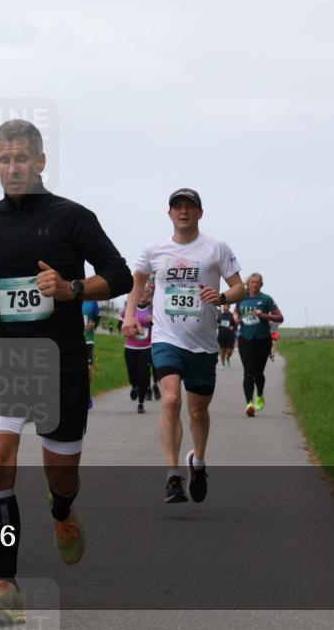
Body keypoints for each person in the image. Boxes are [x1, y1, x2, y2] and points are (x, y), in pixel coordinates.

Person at [0, 120, 132, 623]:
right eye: (4, 159)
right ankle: (6, 586)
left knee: (62, 476)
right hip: (3, 356)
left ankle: (62, 510)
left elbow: (119, 275)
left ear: (41, 161)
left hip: (60, 359)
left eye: (21, 158)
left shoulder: (73, 217)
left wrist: (72, 288)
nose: (12, 168)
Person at [122, 188, 243, 504]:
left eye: (190, 207)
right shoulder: (154, 249)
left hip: (203, 344)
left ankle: (198, 463)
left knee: (198, 411)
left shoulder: (216, 248)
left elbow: (239, 288)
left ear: (200, 213)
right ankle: (172, 476)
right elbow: (137, 280)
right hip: (167, 338)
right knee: (171, 400)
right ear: (170, 214)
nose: (184, 211)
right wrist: (130, 315)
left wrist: (222, 297)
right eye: (177, 207)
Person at [234, 273, 284, 416]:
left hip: (262, 340)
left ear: (261, 284)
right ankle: (249, 403)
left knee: (258, 373)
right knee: (248, 372)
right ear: (248, 283)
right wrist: (236, 317)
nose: (254, 284)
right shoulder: (242, 298)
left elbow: (280, 317)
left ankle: (260, 395)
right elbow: (236, 311)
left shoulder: (266, 299)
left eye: (257, 282)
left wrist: (264, 316)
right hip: (245, 339)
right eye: (252, 282)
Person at [122, 277, 155, 414]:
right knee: (132, 373)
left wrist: (154, 319)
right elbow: (120, 325)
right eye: (140, 292)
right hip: (130, 347)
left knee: (143, 374)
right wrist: (130, 331)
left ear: (148, 294)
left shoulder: (152, 309)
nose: (142, 294)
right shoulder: (130, 309)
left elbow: (162, 326)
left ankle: (141, 403)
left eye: (145, 292)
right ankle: (134, 386)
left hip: (147, 347)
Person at [82, 299, 100, 408]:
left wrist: (93, 324)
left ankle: (87, 393)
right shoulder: (69, 297)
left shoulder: (92, 300)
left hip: (88, 340)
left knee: (88, 368)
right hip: (72, 340)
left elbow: (97, 317)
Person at [217, 303, 237, 367]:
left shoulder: (232, 316)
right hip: (222, 335)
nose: (224, 307)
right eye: (224, 306)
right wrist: (218, 325)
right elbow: (217, 323)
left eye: (225, 306)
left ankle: (228, 358)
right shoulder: (220, 316)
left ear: (229, 307)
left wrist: (233, 327)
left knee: (229, 351)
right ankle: (223, 364)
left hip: (230, 336)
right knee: (222, 350)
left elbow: (236, 324)